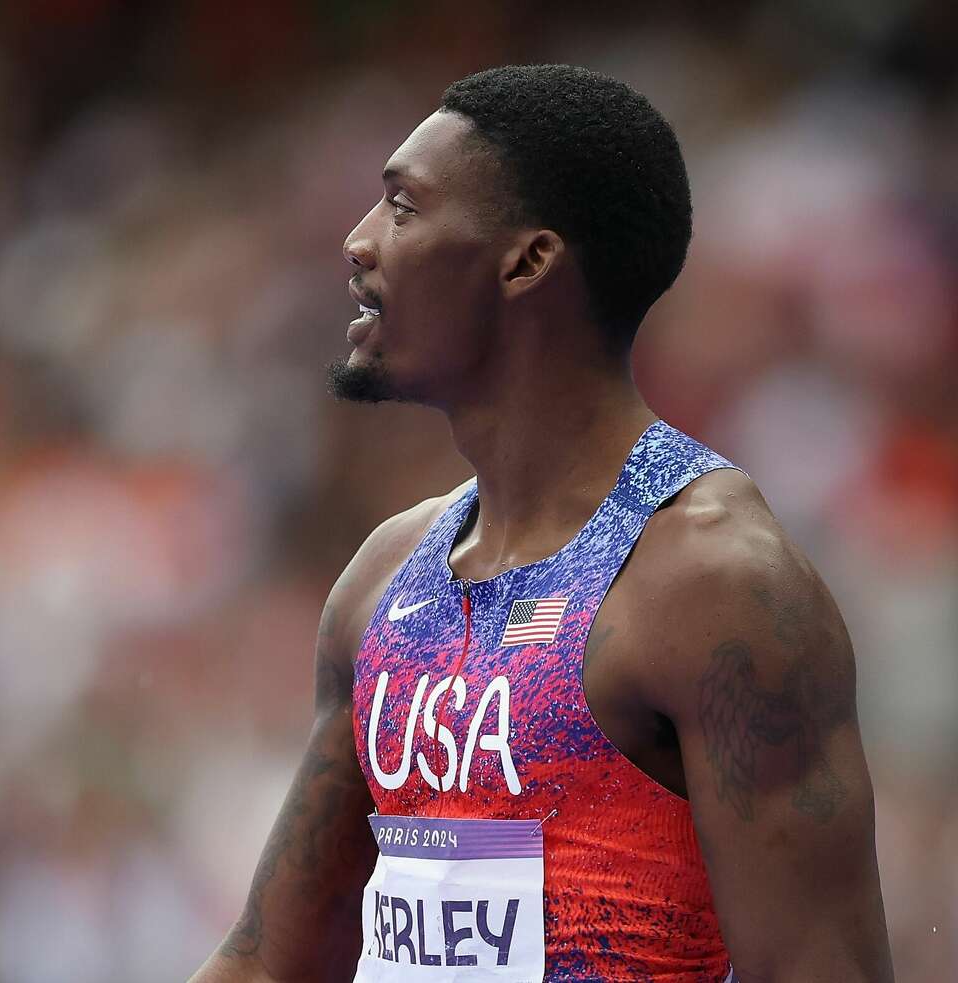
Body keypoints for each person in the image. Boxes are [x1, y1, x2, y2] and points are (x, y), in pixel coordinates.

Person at [191, 64, 893, 983]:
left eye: (403, 208)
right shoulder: (386, 576)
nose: (359, 243)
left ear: (527, 260)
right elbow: (266, 962)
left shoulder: (713, 584)